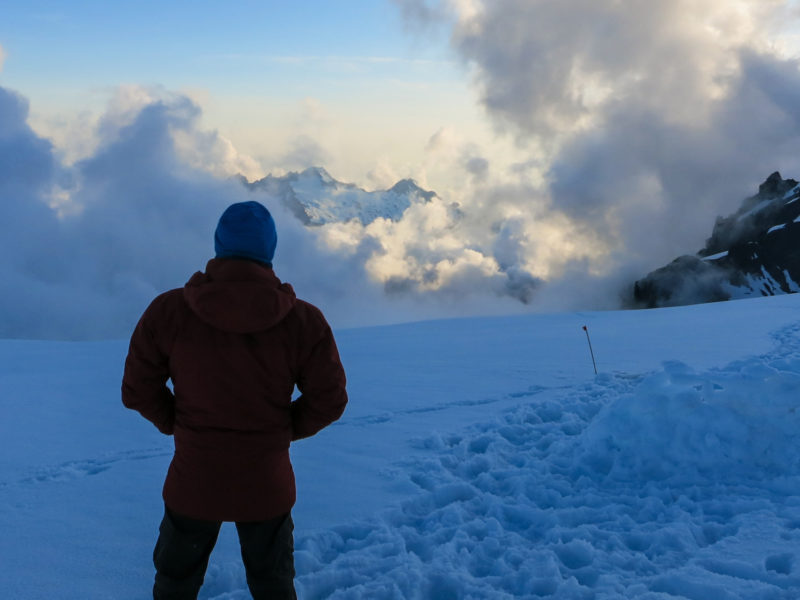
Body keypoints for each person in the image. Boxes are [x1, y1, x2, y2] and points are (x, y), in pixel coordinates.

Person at [122, 200, 348, 599]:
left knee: (175, 584)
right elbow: (329, 399)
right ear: (270, 251)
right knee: (273, 585)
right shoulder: (304, 322)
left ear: (219, 246)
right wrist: (283, 430)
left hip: (193, 479)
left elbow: (138, 388)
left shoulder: (169, 311)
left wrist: (178, 423)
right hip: (267, 483)